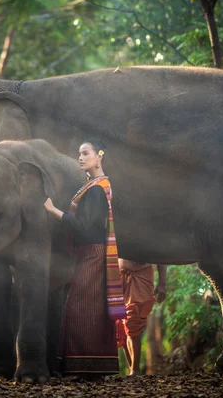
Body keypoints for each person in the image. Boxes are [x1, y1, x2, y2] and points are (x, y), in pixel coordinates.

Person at [44, 139, 126, 380]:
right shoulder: (92, 185)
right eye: (78, 153)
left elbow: (85, 227)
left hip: (93, 253)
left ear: (99, 156)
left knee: (80, 307)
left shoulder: (98, 188)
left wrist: (53, 211)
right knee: (89, 308)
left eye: (85, 153)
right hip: (88, 253)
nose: (80, 157)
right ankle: (88, 368)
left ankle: (84, 368)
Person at [115, 259, 167, 376]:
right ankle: (132, 370)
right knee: (122, 328)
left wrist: (162, 283)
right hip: (118, 278)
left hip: (141, 278)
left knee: (132, 323)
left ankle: (135, 370)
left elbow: (161, 256)